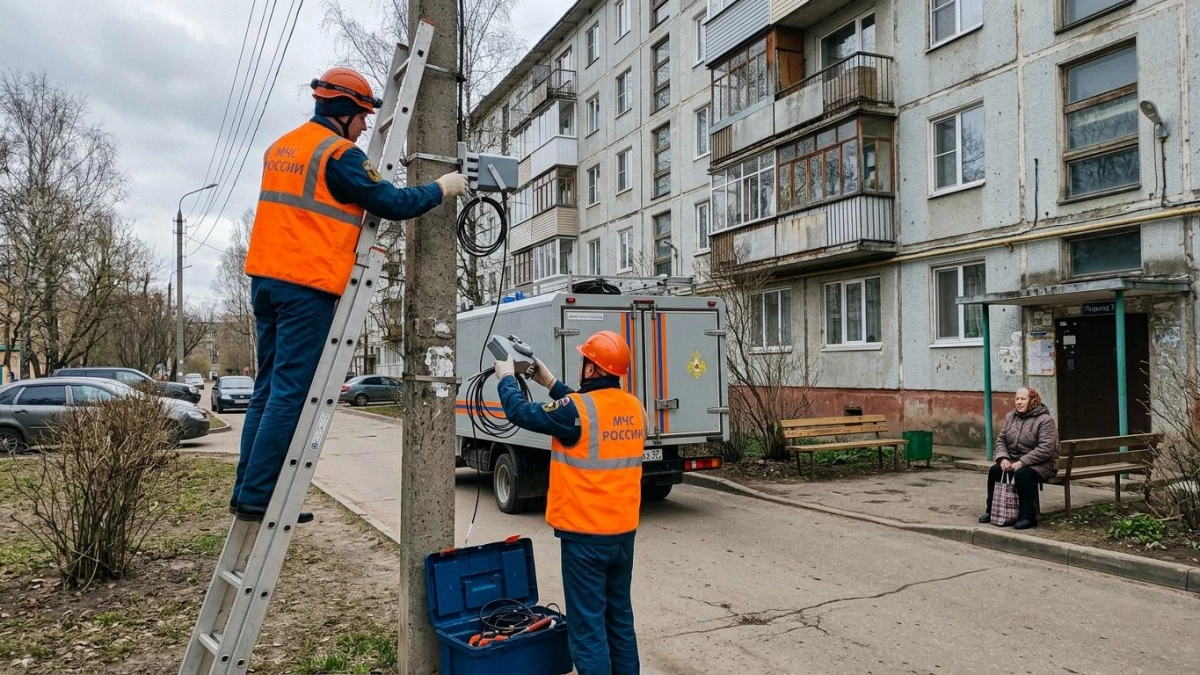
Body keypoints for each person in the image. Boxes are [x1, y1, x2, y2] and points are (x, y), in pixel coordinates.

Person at [230, 67, 469, 523]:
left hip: (265, 280)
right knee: (291, 393)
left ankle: (248, 489)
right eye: (360, 116)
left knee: (266, 390)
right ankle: (261, 496)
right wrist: (442, 188)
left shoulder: (282, 147)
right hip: (306, 285)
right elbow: (394, 204)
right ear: (342, 113)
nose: (363, 127)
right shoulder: (339, 155)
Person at [493, 331, 646, 675]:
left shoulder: (576, 410)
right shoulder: (634, 408)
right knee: (619, 620)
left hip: (585, 539)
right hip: (622, 536)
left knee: (588, 628)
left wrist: (506, 377)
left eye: (584, 362)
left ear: (592, 369)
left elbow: (521, 412)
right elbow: (583, 410)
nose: (582, 367)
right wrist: (548, 381)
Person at [981, 386, 1059, 530]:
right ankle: (992, 511)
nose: (1019, 402)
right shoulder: (1011, 417)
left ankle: (1027, 517)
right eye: (1017, 399)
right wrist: (1003, 458)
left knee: (1023, 474)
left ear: (1032, 401)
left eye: (1023, 399)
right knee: (995, 470)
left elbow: (1045, 449)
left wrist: (1022, 462)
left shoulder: (1045, 420)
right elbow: (1001, 441)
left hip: (1042, 464)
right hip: (1014, 460)